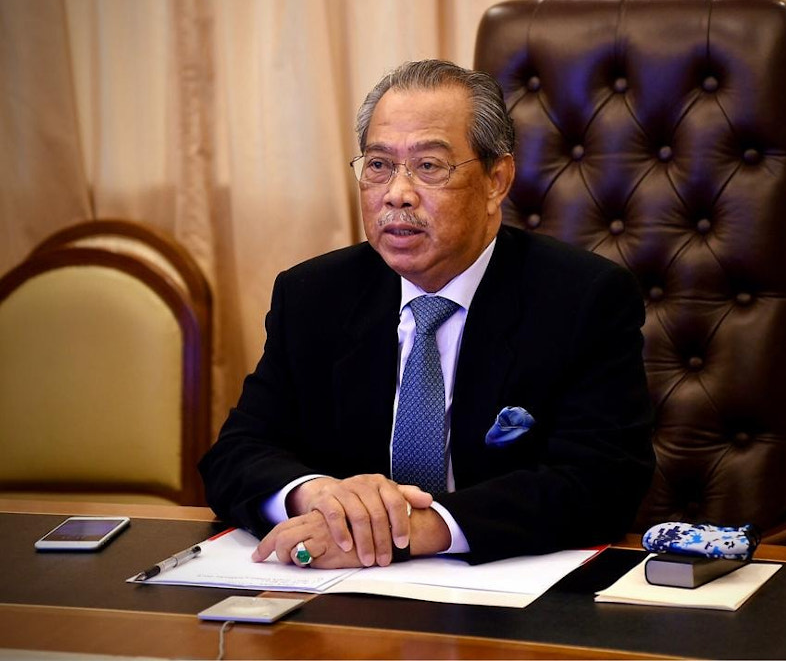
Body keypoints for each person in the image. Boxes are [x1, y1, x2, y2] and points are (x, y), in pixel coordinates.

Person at [199, 59, 654, 569]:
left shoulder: (583, 298)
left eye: (428, 166)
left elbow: (602, 480)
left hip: (510, 604)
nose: (397, 193)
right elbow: (236, 453)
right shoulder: (312, 295)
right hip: (343, 602)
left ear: (496, 181)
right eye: (378, 165)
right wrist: (318, 496)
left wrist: (419, 527)